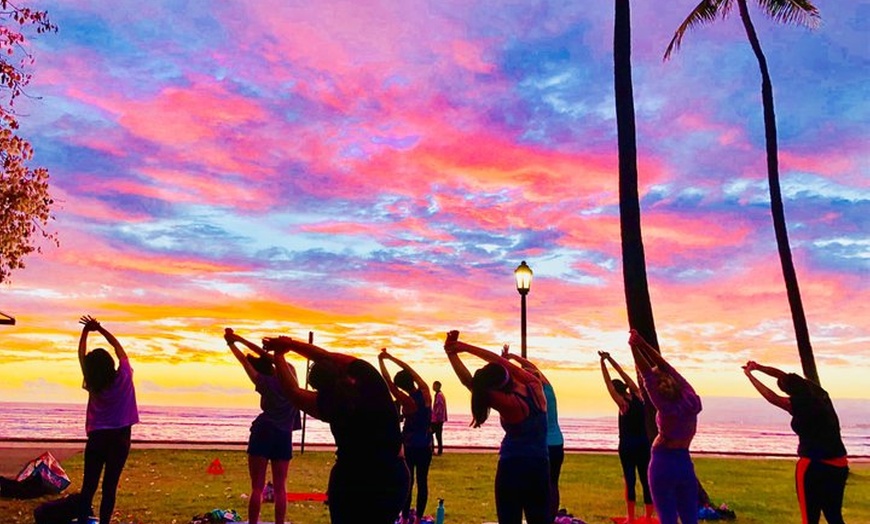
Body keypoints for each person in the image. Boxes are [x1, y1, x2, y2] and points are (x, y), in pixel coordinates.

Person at [265, 336, 410, 524]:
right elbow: (324, 355)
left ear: (318, 388)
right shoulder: (368, 377)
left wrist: (278, 355)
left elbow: (293, 392)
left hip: (351, 478)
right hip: (391, 476)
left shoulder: (329, 404)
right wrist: (289, 344)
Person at [444, 330, 549, 524]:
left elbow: (470, 383)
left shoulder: (509, 403)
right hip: (540, 466)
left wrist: (452, 354)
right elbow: (499, 361)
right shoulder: (533, 385)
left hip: (512, 467)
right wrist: (464, 347)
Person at [743, 361, 848, 524]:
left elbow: (772, 397)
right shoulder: (820, 393)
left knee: (809, 517)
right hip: (840, 465)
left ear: (790, 392)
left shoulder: (800, 403)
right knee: (834, 516)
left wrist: (750, 375)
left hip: (814, 465)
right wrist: (759, 367)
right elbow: (781, 375)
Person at [225, 328, 300, 524]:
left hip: (263, 431)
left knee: (257, 487)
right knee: (281, 487)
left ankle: (252, 523)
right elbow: (265, 355)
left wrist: (232, 342)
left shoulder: (262, 381)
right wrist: (239, 339)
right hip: (283, 435)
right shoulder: (291, 372)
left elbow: (244, 360)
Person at [628, 329, 701, 524]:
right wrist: (642, 343)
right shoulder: (691, 398)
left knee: (667, 518)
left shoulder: (664, 405)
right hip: (684, 463)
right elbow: (664, 365)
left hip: (662, 462)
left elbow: (646, 374)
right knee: (690, 517)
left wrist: (633, 347)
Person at [76, 315, 139, 524]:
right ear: (110, 363)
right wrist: (100, 329)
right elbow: (118, 347)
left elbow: (81, 355)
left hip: (97, 438)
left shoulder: (93, 383)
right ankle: (104, 522)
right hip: (120, 439)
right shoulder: (124, 377)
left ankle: (84, 518)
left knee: (89, 486)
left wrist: (86, 331)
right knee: (109, 487)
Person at [503, 345, 564, 523]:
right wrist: (513, 356)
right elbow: (532, 367)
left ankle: (541, 516)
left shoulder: (531, 396)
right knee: (553, 483)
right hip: (557, 443)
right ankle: (550, 518)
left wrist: (506, 361)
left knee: (539, 486)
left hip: (541, 446)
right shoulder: (549, 390)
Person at [379, 349, 433, 524]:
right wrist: (391, 357)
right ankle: (417, 519)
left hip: (409, 445)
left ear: (402, 386)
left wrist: (381, 361)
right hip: (425, 445)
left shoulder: (406, 400)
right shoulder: (425, 393)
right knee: (422, 482)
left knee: (408, 483)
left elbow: (388, 383)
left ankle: (403, 518)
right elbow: (409, 369)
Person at [599, 351, 654, 523]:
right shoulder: (637, 395)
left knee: (630, 479)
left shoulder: (622, 403)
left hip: (628, 445)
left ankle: (630, 518)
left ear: (616, 391)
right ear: (625, 385)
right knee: (646, 479)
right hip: (643, 443)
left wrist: (602, 363)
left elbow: (608, 383)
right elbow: (623, 374)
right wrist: (610, 359)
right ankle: (647, 516)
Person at [430, 380, 448, 456]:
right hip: (438, 419)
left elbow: (439, 408)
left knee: (431, 433)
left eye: (434, 385)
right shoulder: (439, 394)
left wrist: (436, 418)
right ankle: (437, 450)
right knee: (438, 435)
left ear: (437, 386)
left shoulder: (439, 395)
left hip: (437, 419)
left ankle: (433, 450)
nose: (433, 387)